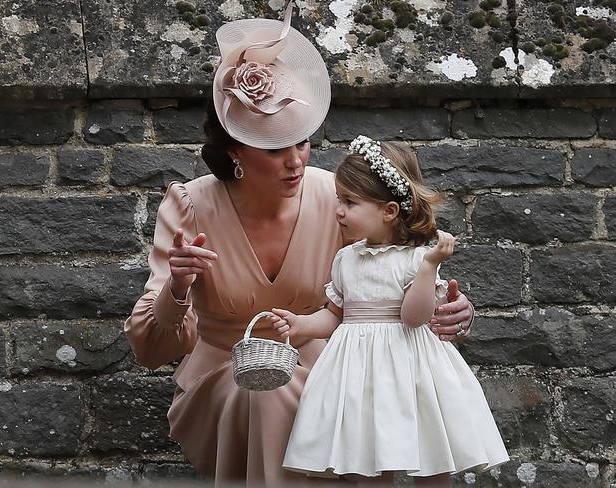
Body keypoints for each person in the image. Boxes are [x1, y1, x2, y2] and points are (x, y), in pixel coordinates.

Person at [124, 3, 475, 486]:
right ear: (234, 152)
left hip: (333, 372)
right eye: (274, 149)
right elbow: (151, 348)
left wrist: (453, 308)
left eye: (302, 142)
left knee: (322, 401)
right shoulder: (190, 206)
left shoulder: (339, 199)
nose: (295, 161)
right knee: (264, 394)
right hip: (226, 378)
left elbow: (402, 264)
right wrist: (179, 287)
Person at [271, 136, 509, 486]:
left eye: (350, 202)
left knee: (429, 456)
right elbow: (336, 315)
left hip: (412, 370)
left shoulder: (415, 260)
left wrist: (430, 266)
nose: (339, 210)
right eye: (340, 200)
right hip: (359, 375)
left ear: (389, 210)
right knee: (368, 459)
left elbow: (414, 318)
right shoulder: (345, 259)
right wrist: (303, 325)